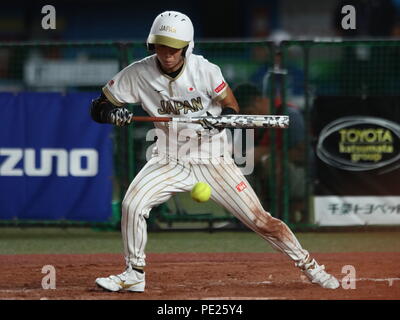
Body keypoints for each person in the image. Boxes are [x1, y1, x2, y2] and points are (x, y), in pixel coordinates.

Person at [89, 11, 339, 292]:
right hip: (168, 158)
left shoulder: (205, 70)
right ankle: (134, 273)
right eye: (161, 46)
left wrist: (223, 117)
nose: (167, 54)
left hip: (213, 158)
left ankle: (310, 266)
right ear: (152, 45)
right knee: (131, 205)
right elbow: (98, 107)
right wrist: (113, 114)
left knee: (262, 221)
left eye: (174, 48)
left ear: (187, 47)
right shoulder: (137, 73)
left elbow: (230, 103)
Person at [233, 83, 306, 222]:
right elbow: (240, 155)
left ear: (259, 101)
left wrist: (264, 153)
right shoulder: (245, 122)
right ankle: (243, 219)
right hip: (261, 176)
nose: (248, 118)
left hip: (298, 176)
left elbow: (303, 155)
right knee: (232, 167)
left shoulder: (290, 115)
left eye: (249, 112)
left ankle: (278, 217)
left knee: (269, 162)